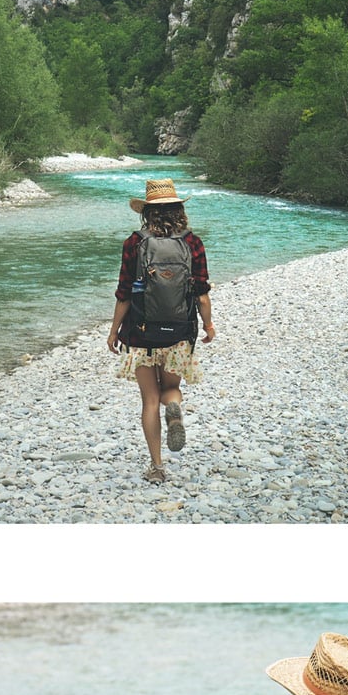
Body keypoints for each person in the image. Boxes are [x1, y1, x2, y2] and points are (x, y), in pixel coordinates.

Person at [107, 178, 215, 484]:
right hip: (178, 333)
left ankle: (156, 467)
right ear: (179, 209)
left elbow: (124, 293)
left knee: (148, 400)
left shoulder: (134, 242)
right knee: (170, 389)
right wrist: (208, 325)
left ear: (147, 212)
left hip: (141, 335)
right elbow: (202, 293)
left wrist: (114, 331)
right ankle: (175, 409)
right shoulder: (192, 243)